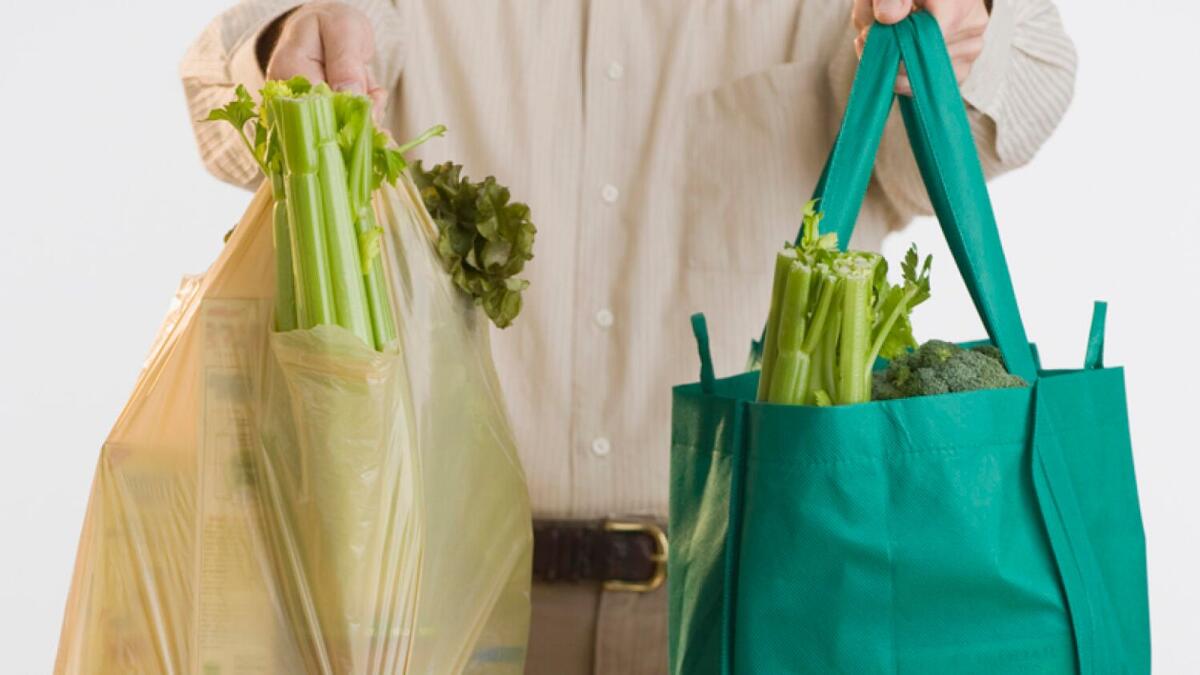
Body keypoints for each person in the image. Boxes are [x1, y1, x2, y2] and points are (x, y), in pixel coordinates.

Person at [181, 1, 1075, 672]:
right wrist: (291, 39)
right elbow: (226, 115)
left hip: (748, 605)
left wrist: (964, 31)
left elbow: (1013, 100)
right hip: (433, 605)